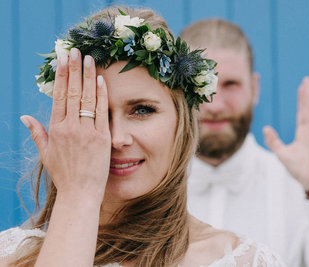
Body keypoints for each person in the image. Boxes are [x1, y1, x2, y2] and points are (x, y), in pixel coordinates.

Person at [0, 7, 286, 267]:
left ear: (181, 122)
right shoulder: (10, 254)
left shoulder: (246, 261)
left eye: (142, 110)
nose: (117, 138)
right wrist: (77, 195)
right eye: (95, 112)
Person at [181, 19, 309, 267]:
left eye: (230, 84)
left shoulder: (299, 189)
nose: (215, 105)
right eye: (201, 84)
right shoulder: (147, 187)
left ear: (255, 88)